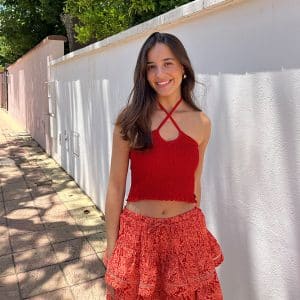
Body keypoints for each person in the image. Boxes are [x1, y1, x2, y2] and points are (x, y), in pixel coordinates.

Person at [103, 32, 224, 299]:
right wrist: (112, 245)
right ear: (144, 73)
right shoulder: (131, 120)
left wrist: (195, 232)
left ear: (183, 67)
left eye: (168, 63)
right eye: (151, 66)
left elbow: (194, 183)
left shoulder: (201, 123)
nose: (160, 74)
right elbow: (115, 185)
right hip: (138, 237)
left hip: (186, 236)